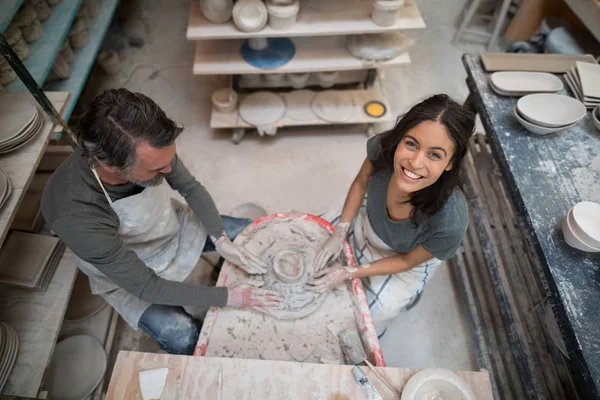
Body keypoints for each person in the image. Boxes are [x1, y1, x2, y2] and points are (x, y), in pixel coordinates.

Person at [42, 89, 281, 354]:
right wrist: (229, 297)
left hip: (166, 226)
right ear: (109, 165)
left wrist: (220, 238)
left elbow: (189, 187)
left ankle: (220, 262)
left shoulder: (149, 143)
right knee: (184, 336)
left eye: (169, 160)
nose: (169, 171)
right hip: (129, 274)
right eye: (157, 170)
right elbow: (147, 286)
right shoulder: (75, 213)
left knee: (249, 231)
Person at [307, 94, 475, 336]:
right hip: (367, 224)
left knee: (364, 325)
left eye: (434, 155)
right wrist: (341, 229)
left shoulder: (451, 221)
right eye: (411, 144)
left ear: (450, 163)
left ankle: (410, 294)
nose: (415, 162)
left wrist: (349, 272)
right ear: (400, 139)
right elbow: (361, 181)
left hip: (405, 260)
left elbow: (406, 262)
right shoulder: (384, 148)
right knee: (311, 239)